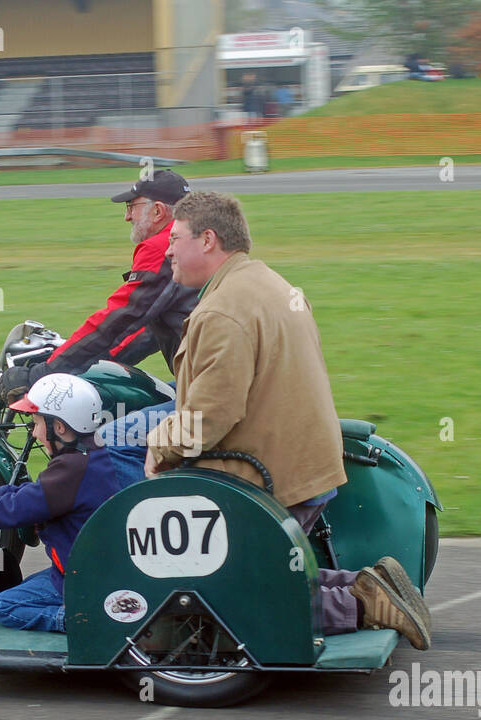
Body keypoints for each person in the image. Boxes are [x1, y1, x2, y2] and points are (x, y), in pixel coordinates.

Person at [143, 192, 432, 650]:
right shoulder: (274, 285)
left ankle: (363, 605)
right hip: (305, 466)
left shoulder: (222, 311)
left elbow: (208, 420)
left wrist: (158, 446)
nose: (168, 250)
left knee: (227, 596)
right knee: (266, 566)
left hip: (265, 475)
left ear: (208, 240)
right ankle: (365, 581)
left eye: (175, 238)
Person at [0, 169, 200, 402]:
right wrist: (96, 363)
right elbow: (147, 333)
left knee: (114, 435)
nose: (127, 217)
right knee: (135, 399)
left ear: (157, 211)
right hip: (216, 378)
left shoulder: (161, 247)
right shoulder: (198, 239)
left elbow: (117, 318)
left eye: (131, 206)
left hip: (207, 389)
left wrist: (45, 372)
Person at [0, 374, 126, 632]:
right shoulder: (90, 457)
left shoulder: (70, 468)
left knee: (5, 606)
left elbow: (17, 510)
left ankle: (81, 622)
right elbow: (40, 493)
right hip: (88, 571)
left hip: (82, 581)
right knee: (23, 589)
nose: (34, 433)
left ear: (59, 427)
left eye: (36, 423)